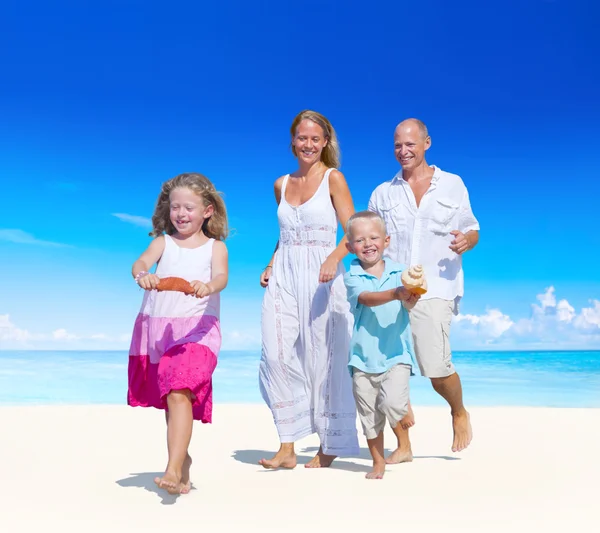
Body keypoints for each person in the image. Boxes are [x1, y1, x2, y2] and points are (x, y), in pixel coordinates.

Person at [368, 119, 480, 453]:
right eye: (398, 145)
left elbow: (472, 228)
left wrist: (466, 241)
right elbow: (370, 240)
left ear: (427, 143)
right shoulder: (382, 193)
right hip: (392, 290)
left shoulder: (452, 184)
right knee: (387, 372)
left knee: (436, 370)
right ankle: (403, 446)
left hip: (436, 289)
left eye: (410, 145)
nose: (403, 151)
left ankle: (458, 411)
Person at [258, 110, 359, 469]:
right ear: (293, 141)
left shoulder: (334, 178)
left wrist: (334, 257)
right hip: (285, 274)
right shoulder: (280, 184)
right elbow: (286, 234)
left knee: (325, 359)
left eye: (316, 138)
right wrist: (271, 263)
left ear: (325, 142)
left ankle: (329, 444)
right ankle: (287, 445)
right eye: (303, 137)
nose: (309, 144)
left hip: (323, 279)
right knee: (276, 354)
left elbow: (354, 231)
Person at [128, 172, 229, 494]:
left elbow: (221, 278)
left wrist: (208, 286)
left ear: (207, 211)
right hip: (160, 327)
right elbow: (142, 261)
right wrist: (143, 274)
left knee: (180, 387)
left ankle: (171, 468)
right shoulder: (163, 242)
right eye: (175, 208)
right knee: (174, 397)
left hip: (199, 329)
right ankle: (181, 460)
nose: (181, 214)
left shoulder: (215, 247)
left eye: (189, 207)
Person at [344, 211, 420, 479]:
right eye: (360, 239)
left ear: (386, 240)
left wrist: (409, 295)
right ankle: (378, 462)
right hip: (362, 358)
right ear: (350, 246)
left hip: (396, 353)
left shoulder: (401, 272)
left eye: (374, 237)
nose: (368, 244)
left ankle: (401, 407)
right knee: (368, 416)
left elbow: (410, 300)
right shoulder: (352, 275)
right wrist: (395, 293)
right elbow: (365, 298)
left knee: (391, 403)